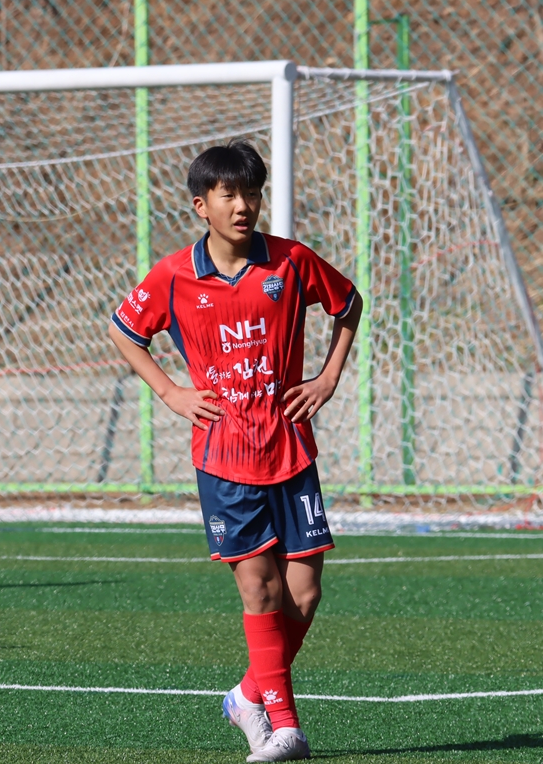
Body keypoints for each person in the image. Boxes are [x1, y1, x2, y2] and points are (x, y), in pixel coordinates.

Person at [109, 141, 361, 761]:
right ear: (202, 205)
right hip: (224, 458)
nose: (244, 206)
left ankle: (247, 696)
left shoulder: (291, 261)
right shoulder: (174, 275)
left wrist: (328, 378)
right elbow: (124, 330)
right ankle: (284, 727)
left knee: (304, 594)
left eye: (252, 193)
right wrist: (171, 391)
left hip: (290, 447)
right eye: (229, 195)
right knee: (261, 591)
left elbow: (349, 304)